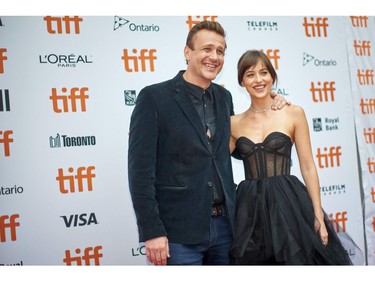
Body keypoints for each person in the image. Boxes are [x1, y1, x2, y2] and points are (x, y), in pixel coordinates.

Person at [127, 21, 289, 266]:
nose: (214, 56)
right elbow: (140, 172)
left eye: (220, 51)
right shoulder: (154, 97)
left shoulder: (225, 98)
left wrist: (270, 104)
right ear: (187, 52)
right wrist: (152, 230)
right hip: (179, 233)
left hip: (227, 227)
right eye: (207, 49)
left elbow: (237, 148)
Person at [229, 49, 353, 265]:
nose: (258, 80)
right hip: (250, 210)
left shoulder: (293, 113)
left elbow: (307, 166)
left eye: (264, 73)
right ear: (242, 82)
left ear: (272, 77)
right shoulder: (233, 123)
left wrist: (318, 215)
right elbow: (213, 159)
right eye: (250, 74)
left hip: (288, 206)